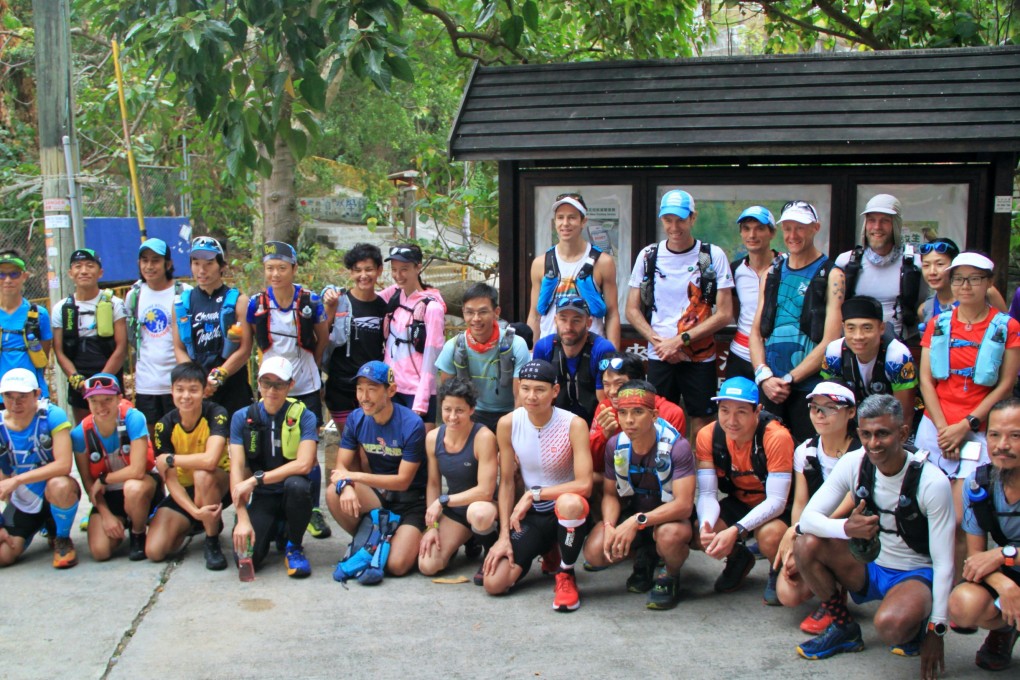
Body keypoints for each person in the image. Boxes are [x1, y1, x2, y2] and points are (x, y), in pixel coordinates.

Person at [793, 395, 954, 680]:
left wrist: (936, 629)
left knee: (890, 627)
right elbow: (807, 520)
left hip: (913, 572)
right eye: (866, 434)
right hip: (870, 564)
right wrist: (846, 529)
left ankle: (917, 622)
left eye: (883, 434)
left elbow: (944, 562)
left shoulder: (932, 481)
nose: (874, 443)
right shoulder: (854, 463)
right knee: (805, 543)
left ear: (903, 433)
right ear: (858, 433)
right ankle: (844, 628)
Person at [918, 252, 1020, 577]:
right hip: (936, 426)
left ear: (989, 283)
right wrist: (943, 427)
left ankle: (962, 585)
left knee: (961, 516)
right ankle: (933, 582)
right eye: (959, 278)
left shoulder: (1007, 327)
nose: (965, 285)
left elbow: (1006, 383)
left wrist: (966, 425)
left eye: (974, 278)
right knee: (927, 508)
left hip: (978, 429)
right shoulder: (937, 324)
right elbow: (925, 379)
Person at [482, 359, 594, 612]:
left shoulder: (573, 424)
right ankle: (548, 547)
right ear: (518, 388)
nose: (531, 396)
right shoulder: (508, 423)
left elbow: (585, 485)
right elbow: (508, 482)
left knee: (571, 502)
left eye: (540, 390)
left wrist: (534, 494)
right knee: (494, 583)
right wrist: (503, 537)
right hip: (533, 516)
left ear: (555, 391)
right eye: (525, 388)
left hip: (564, 510)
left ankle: (566, 573)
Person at [626, 189, 734, 436]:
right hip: (660, 354)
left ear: (692, 218)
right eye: (668, 220)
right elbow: (632, 310)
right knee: (657, 417)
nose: (674, 227)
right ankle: (663, 471)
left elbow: (725, 313)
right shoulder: (648, 255)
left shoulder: (711, 255)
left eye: (681, 220)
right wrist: (662, 344)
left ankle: (699, 473)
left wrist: (680, 341)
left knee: (702, 419)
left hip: (699, 355)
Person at [582, 379, 696, 610]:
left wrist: (637, 522)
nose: (629, 420)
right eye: (622, 413)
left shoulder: (677, 446)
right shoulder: (616, 444)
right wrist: (609, 526)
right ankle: (645, 555)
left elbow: (684, 505)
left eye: (637, 412)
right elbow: (610, 494)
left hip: (670, 518)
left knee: (669, 536)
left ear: (654, 416)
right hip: (635, 511)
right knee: (595, 552)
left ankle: (670, 575)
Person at [246, 240, 329, 539]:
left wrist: (312, 366)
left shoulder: (311, 300)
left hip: (304, 382)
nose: (275, 274)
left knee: (308, 446)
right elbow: (250, 339)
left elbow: (322, 337)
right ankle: (268, 499)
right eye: (270, 268)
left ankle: (313, 509)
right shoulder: (257, 302)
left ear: (294, 268)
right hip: (271, 383)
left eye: (282, 268)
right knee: (268, 442)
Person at [749, 201, 845, 443]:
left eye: (800, 228)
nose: (793, 235)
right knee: (768, 456)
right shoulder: (771, 273)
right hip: (770, 386)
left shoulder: (832, 275)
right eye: (788, 228)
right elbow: (756, 333)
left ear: (815, 228)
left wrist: (790, 378)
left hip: (809, 388)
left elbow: (831, 340)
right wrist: (764, 376)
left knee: (807, 456)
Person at [695, 377, 794, 601]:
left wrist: (736, 530)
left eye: (741, 411)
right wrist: (706, 526)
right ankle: (739, 558)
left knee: (769, 535)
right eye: (724, 410)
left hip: (778, 505)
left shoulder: (776, 437)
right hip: (741, 500)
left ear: (757, 411)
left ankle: (777, 569)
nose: (731, 420)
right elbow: (708, 493)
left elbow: (777, 501)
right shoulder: (707, 435)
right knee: (700, 532)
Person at [325, 360, 427, 577]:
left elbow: (403, 481)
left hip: (412, 502)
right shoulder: (356, 418)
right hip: (379, 498)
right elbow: (341, 466)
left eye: (371, 389)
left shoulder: (412, 424)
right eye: (360, 389)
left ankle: (382, 541)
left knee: (396, 566)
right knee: (334, 493)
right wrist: (347, 486)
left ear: (390, 390)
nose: (364, 397)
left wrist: (352, 477)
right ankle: (371, 541)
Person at [772, 382, 860, 631]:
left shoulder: (861, 452)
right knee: (786, 594)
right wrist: (794, 537)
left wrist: (802, 529)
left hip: (850, 530)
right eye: (814, 408)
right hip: (811, 527)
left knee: (819, 541)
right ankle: (820, 582)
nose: (820, 415)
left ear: (850, 412)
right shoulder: (806, 450)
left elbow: (850, 501)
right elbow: (800, 501)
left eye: (830, 408)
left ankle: (835, 600)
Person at [229, 356, 318, 577]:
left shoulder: (304, 416)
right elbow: (237, 468)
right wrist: (242, 517)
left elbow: (305, 463)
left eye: (279, 384)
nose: (271, 390)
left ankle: (294, 545)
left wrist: (256, 479)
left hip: (291, 491)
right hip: (263, 496)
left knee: (298, 485)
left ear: (291, 385)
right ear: (258, 383)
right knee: (246, 556)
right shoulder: (242, 417)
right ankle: (277, 527)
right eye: (266, 383)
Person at [949, 398, 1020, 671]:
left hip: (1008, 561)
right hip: (1010, 573)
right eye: (995, 435)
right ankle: (1005, 629)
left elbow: (991, 556)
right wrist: (1005, 586)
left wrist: (1004, 553)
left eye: (1015, 435)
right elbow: (976, 557)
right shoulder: (979, 483)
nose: (1002, 444)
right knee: (963, 604)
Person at [146, 362, 232, 571]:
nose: (186, 396)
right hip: (185, 489)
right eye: (180, 389)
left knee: (203, 474)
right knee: (155, 551)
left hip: (218, 483)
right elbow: (171, 481)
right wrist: (195, 512)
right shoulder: (163, 426)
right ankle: (202, 521)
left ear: (204, 391)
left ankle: (212, 541)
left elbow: (210, 460)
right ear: (171, 391)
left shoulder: (216, 413)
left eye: (193, 390)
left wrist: (170, 459)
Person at [70, 373, 160, 561]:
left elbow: (137, 469)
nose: (101, 407)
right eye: (94, 401)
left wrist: (104, 479)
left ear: (119, 398)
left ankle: (138, 532)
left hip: (141, 486)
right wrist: (105, 514)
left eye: (107, 400)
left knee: (133, 487)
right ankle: (121, 520)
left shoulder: (133, 419)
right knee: (100, 552)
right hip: (109, 496)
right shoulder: (80, 434)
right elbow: (88, 483)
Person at [417, 378, 499, 582]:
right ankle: (466, 539)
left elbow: (485, 491)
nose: (452, 417)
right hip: (456, 510)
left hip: (485, 506)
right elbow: (434, 484)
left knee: (479, 514)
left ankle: (489, 548)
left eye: (459, 410)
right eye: (447, 409)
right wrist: (431, 527)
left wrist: (443, 502)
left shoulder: (484, 437)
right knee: (428, 565)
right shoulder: (433, 438)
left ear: (471, 409)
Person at [0, 368, 80, 568]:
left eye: (22, 397)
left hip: (53, 492)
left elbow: (63, 465)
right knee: (3, 556)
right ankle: (38, 526)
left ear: (37, 394)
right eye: (9, 397)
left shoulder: (52, 415)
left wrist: (17, 479)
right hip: (23, 501)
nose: (15, 404)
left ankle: (61, 537)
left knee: (60, 485)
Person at [172, 236, 254, 418]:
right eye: (196, 263)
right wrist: (196, 381)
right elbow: (178, 347)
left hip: (232, 384)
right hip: (198, 390)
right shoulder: (182, 303)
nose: (201, 270)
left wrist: (217, 377)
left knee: (237, 442)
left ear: (222, 266)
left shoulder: (239, 301)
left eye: (209, 264)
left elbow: (245, 349)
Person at [527, 192, 620, 348]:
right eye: (560, 217)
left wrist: (613, 356)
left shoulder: (603, 262)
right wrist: (531, 352)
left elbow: (612, 314)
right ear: (555, 221)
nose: (565, 223)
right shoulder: (540, 263)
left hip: (591, 349)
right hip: (550, 349)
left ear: (583, 221)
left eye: (572, 217)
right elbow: (535, 315)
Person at [435, 282, 530, 432]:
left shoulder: (516, 344)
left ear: (496, 312)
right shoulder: (453, 346)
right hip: (471, 414)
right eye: (470, 312)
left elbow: (521, 396)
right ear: (463, 313)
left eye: (483, 312)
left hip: (511, 412)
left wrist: (513, 427)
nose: (476, 319)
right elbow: (449, 394)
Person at [51, 248, 128, 423]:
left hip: (109, 375)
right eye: (78, 266)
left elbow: (121, 347)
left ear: (100, 272)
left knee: (115, 427)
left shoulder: (114, 304)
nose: (84, 271)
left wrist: (100, 382)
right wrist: (75, 378)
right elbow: (59, 351)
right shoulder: (61, 308)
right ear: (70, 273)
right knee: (85, 429)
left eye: (89, 266)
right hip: (79, 380)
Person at [835, 194, 926, 342]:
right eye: (871, 220)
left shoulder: (914, 264)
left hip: (900, 345)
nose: (877, 227)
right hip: (856, 346)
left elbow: (923, 307)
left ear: (896, 224)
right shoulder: (847, 262)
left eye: (885, 221)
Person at [589, 352, 687, 486]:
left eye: (619, 383)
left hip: (657, 484)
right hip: (616, 480)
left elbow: (674, 470)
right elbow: (593, 465)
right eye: (606, 384)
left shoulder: (671, 413)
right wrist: (604, 436)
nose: (611, 391)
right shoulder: (605, 407)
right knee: (587, 477)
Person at [125, 238, 191, 433]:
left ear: (168, 264)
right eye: (144, 260)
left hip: (178, 381)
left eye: (155, 260)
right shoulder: (134, 295)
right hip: (147, 383)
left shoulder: (184, 293)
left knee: (180, 434)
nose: (149, 266)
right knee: (153, 438)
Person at [321, 243, 387, 433]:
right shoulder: (339, 301)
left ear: (379, 271)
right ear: (350, 273)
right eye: (357, 270)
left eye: (369, 269)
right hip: (340, 386)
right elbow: (322, 336)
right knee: (349, 442)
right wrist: (329, 307)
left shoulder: (383, 307)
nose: (363, 275)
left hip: (372, 387)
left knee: (370, 443)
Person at [382, 244, 447, 430]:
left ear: (418, 267)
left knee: (419, 452)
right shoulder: (395, 294)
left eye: (404, 269)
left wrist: (422, 400)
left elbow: (432, 355)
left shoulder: (432, 307)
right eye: (394, 270)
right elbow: (367, 297)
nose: (398, 275)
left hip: (417, 391)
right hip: (392, 387)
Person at [821, 296, 917, 420]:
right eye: (851, 328)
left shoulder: (897, 356)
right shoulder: (834, 353)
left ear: (881, 328)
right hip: (853, 419)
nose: (858, 336)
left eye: (867, 328)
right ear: (843, 328)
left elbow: (904, 414)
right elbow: (831, 403)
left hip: (890, 421)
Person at [532, 296, 616, 426]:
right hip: (554, 422)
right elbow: (536, 393)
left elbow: (604, 400)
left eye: (576, 320)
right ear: (555, 321)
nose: (568, 327)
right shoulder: (544, 347)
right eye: (563, 319)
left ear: (589, 323)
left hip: (593, 420)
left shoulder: (602, 349)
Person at [728, 206, 779, 380]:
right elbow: (735, 310)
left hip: (777, 353)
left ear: (772, 233)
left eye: (760, 229)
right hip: (741, 353)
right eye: (746, 229)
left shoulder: (787, 265)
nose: (752, 235)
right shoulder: (735, 269)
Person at [918, 238, 1007, 334]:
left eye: (940, 264)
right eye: (926, 265)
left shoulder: (985, 292)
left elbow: (1007, 329)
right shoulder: (925, 309)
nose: (932, 272)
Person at [0, 250, 52, 399]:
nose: (8, 280)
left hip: (31, 393)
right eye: (2, 274)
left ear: (25, 276)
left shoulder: (38, 314)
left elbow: (43, 359)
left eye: (14, 274)